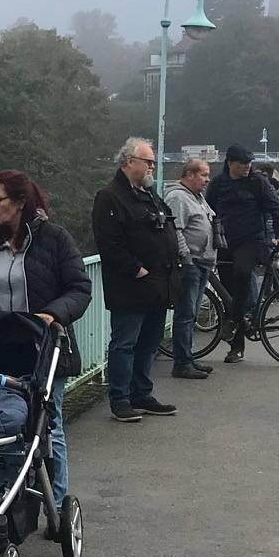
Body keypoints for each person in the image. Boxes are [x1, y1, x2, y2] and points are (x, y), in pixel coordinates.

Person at [0, 169, 91, 503]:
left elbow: (79, 288)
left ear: (18, 202)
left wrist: (53, 314)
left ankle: (55, 503)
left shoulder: (55, 239)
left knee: (48, 424)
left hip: (44, 348)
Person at [93, 138, 181, 421]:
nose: (151, 167)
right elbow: (109, 243)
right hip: (131, 286)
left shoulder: (149, 194)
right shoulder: (110, 197)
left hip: (158, 284)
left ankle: (141, 393)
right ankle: (120, 399)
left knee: (149, 342)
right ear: (129, 162)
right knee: (125, 343)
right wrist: (136, 269)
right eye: (148, 162)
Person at [205, 145, 279, 364]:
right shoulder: (218, 184)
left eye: (249, 164)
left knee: (243, 273)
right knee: (229, 294)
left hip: (252, 240)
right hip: (225, 241)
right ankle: (237, 348)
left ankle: (233, 321)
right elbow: (208, 211)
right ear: (230, 163)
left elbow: (276, 209)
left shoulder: (258, 182)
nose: (247, 168)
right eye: (243, 164)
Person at [163, 159, 217, 379]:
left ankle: (188, 358)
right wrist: (186, 257)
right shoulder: (177, 197)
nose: (207, 180)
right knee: (185, 314)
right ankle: (182, 362)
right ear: (189, 174)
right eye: (203, 175)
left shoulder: (197, 197)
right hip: (191, 263)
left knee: (191, 313)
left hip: (202, 261)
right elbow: (175, 229)